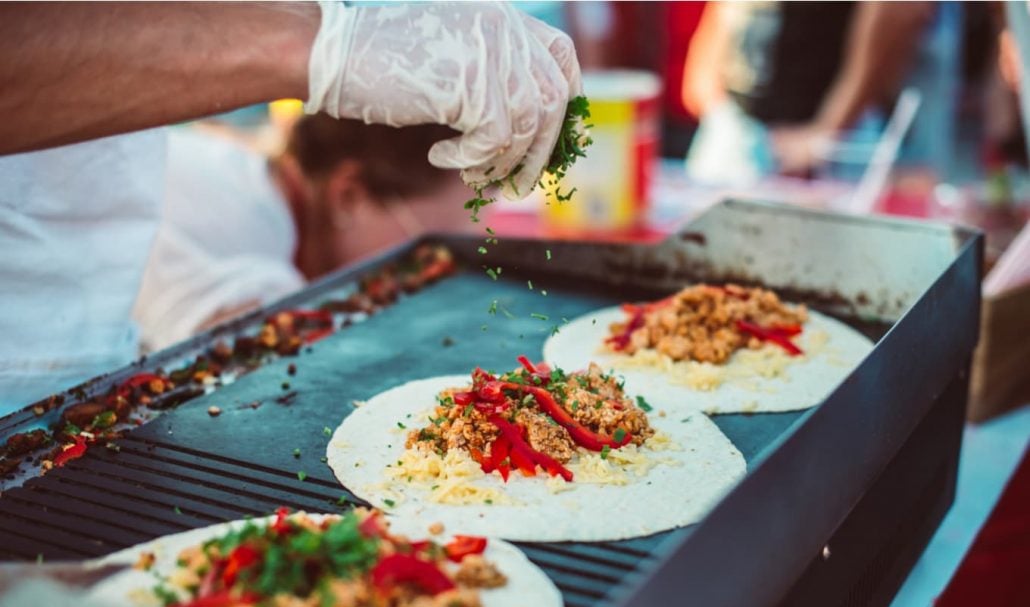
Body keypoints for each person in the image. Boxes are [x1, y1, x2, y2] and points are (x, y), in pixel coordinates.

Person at [0, 2, 582, 414]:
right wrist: (328, 44)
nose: (428, 270)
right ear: (349, 195)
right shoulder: (237, 210)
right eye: (428, 243)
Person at [133, 118, 470, 351]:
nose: (432, 273)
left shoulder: (241, 177)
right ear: (348, 196)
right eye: (429, 250)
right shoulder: (241, 241)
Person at [682, 1, 932, 182]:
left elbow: (903, 9)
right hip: (735, 128)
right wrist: (710, 94)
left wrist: (827, 131)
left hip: (830, 145)